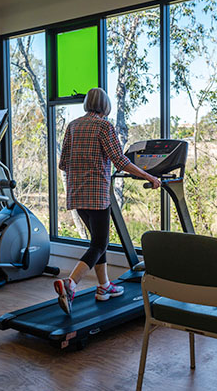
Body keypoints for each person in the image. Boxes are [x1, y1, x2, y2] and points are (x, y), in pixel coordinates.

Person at [54, 87, 161, 315]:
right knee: (99, 244)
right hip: (97, 193)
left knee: (97, 241)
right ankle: (70, 285)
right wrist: (149, 176)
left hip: (76, 193)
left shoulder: (72, 126)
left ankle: (103, 287)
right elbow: (120, 160)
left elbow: (63, 163)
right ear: (106, 106)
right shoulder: (104, 126)